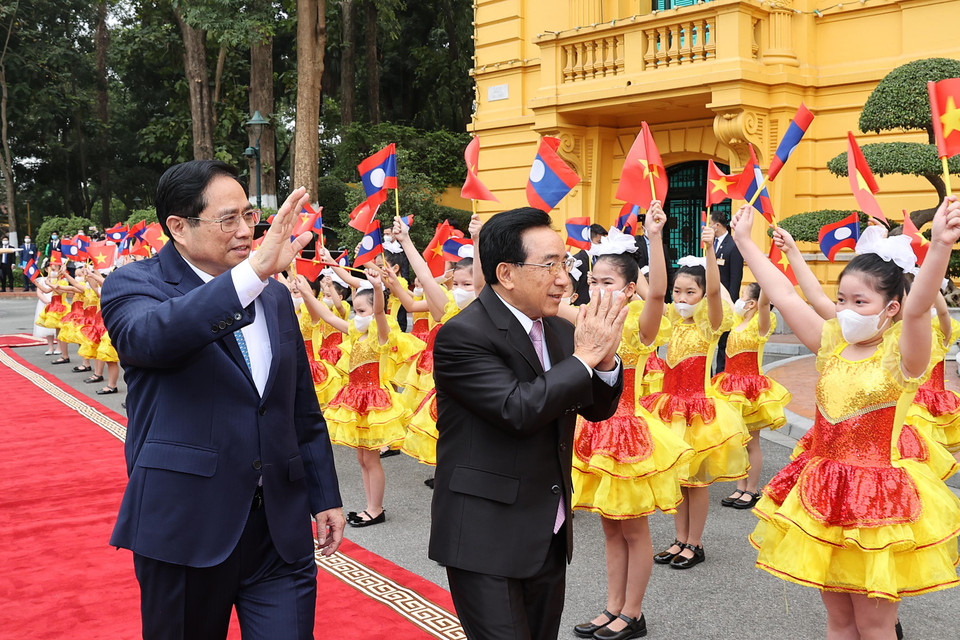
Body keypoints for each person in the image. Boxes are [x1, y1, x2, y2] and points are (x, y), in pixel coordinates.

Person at [100, 160, 345, 640]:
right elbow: (154, 338)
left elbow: (298, 407)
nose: (246, 231)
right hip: (187, 527)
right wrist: (252, 274)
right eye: (228, 219)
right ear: (178, 227)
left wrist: (324, 496)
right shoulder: (135, 285)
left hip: (279, 528)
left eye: (249, 217)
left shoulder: (273, 297)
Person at [730, 199, 960, 639]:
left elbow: (918, 309)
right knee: (838, 619)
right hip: (824, 494)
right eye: (842, 299)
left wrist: (941, 247)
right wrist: (745, 242)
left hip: (878, 502)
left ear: (890, 307)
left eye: (860, 300)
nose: (846, 308)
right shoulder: (830, 344)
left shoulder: (904, 356)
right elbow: (783, 294)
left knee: (874, 625)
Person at [430, 207, 627, 640]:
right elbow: (517, 409)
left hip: (547, 530)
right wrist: (584, 358)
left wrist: (606, 359)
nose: (565, 278)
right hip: (485, 536)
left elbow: (594, 408)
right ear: (507, 273)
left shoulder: (555, 329)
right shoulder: (462, 335)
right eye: (550, 265)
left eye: (566, 263)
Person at [570, 205, 694, 640]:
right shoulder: (582, 316)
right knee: (609, 527)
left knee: (635, 529)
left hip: (629, 435)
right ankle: (611, 606)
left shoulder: (641, 324)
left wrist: (654, 238)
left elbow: (658, 292)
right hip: (593, 433)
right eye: (593, 281)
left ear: (628, 286)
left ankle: (633, 613)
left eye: (607, 282)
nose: (597, 289)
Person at [644, 228, 749, 571]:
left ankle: (696, 543)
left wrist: (708, 248)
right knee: (679, 480)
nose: (683, 298)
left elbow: (717, 290)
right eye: (679, 291)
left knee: (697, 481)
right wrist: (654, 239)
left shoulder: (709, 325)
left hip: (698, 414)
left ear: (703, 296)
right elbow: (653, 292)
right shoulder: (672, 322)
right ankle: (679, 539)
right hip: (669, 409)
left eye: (691, 292)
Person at [712, 283, 791, 509]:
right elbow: (723, 294)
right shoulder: (736, 321)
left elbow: (765, 303)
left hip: (749, 390)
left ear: (752, 303)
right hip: (729, 386)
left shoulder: (760, 324)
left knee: (752, 442)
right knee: (738, 441)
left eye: (743, 296)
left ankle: (752, 489)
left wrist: (766, 278)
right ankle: (740, 486)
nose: (738, 299)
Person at [709, 211, 743, 373]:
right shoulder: (710, 244)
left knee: (723, 343)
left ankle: (720, 375)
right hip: (709, 302)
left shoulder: (733, 245)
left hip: (725, 303)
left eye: (710, 224)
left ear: (717, 225)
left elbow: (735, 278)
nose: (708, 227)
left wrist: (732, 304)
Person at [571, 223, 609, 305]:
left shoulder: (604, 259)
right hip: (581, 305)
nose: (601, 245)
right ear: (589, 241)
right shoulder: (576, 260)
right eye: (599, 242)